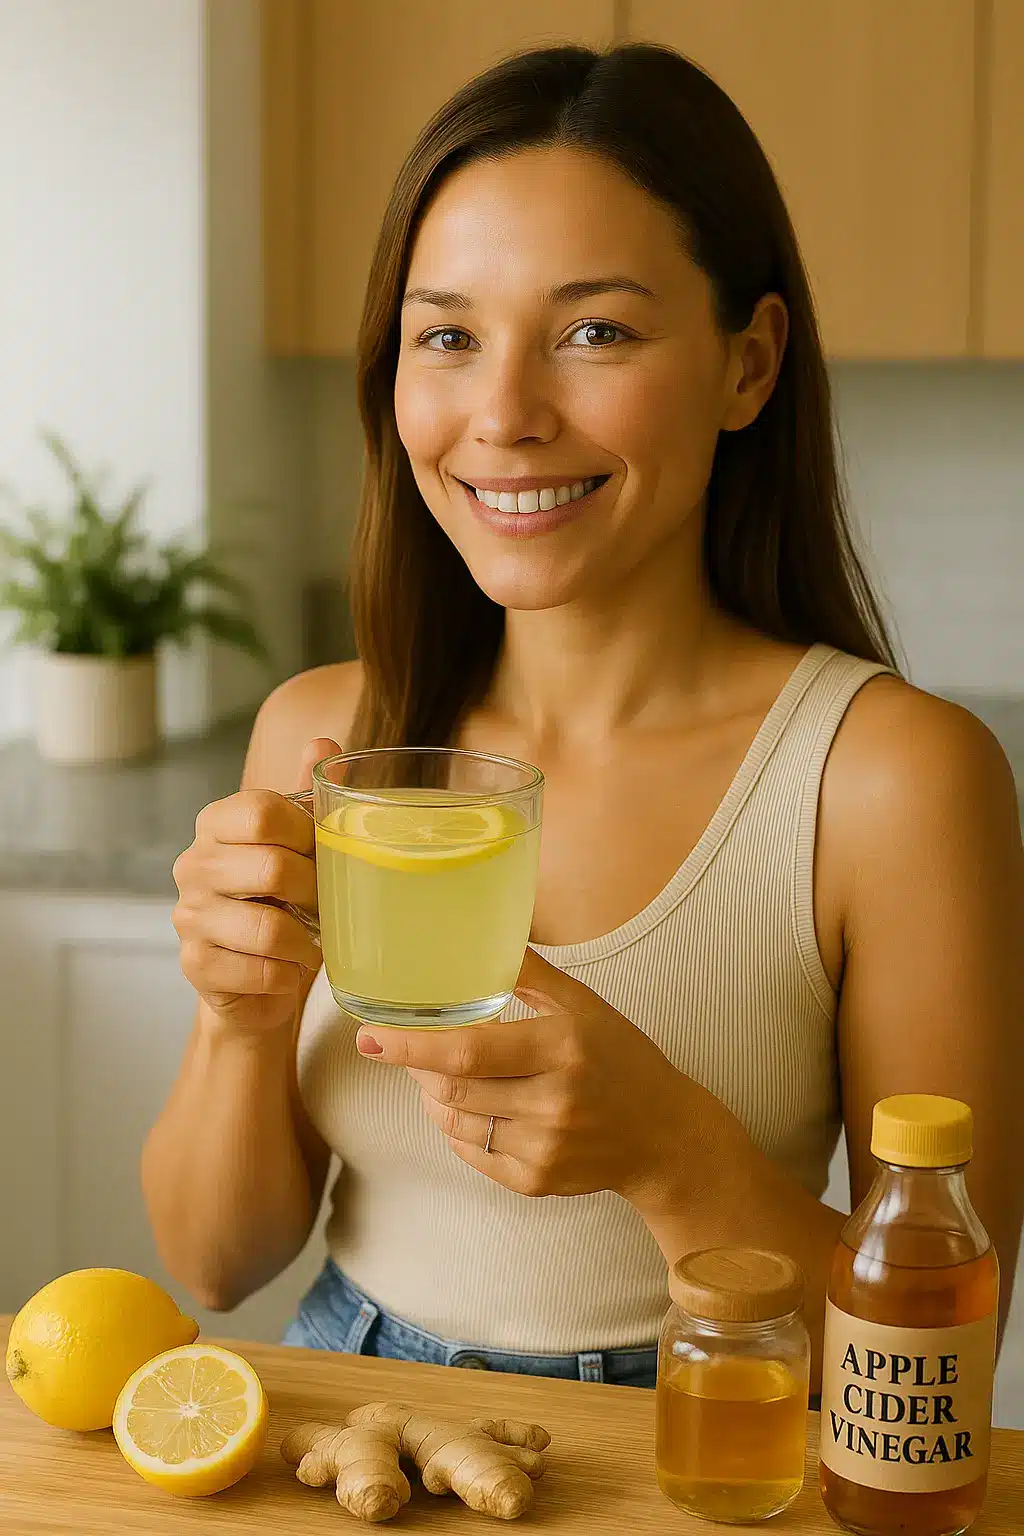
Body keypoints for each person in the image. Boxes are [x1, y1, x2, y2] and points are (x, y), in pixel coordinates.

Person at [145, 43, 1023, 1393]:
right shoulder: (324, 741)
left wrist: (670, 1150)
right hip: (355, 1413)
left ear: (750, 365)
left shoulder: (890, 780)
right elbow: (212, 1267)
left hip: (699, 1441)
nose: (502, 414)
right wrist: (236, 1019)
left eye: (594, 332)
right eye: (447, 335)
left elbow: (936, 1363)